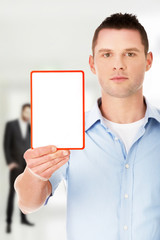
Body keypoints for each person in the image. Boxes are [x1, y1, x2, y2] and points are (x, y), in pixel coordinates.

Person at [14, 13, 160, 240]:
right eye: (107, 54)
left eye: (129, 54)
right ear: (92, 63)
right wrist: (34, 173)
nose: (118, 65)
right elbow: (28, 203)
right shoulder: (67, 132)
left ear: (148, 60)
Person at [4, 103, 34, 233]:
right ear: (22, 112)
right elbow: (6, 144)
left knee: (25, 193)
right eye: (26, 112)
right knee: (12, 193)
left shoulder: (30, 127)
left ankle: (23, 219)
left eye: (30, 113)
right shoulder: (11, 125)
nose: (28, 115)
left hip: (26, 165)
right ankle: (8, 222)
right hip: (15, 164)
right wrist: (10, 161)